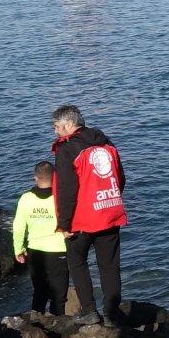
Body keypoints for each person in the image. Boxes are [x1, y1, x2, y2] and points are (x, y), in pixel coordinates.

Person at [52, 105, 128, 326]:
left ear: (68, 124)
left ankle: (89, 311)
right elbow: (120, 178)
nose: (56, 132)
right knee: (110, 265)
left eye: (57, 127)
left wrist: (64, 223)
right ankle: (112, 314)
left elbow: (66, 191)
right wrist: (109, 199)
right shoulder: (107, 145)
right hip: (109, 212)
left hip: (82, 218)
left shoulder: (67, 150)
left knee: (77, 262)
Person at [12, 161, 68, 315]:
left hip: (35, 251)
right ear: (55, 177)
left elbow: (18, 226)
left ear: (35, 177)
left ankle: (37, 322)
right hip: (59, 250)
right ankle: (59, 324)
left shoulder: (26, 199)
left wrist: (18, 249)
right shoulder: (61, 197)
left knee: (39, 291)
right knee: (59, 294)